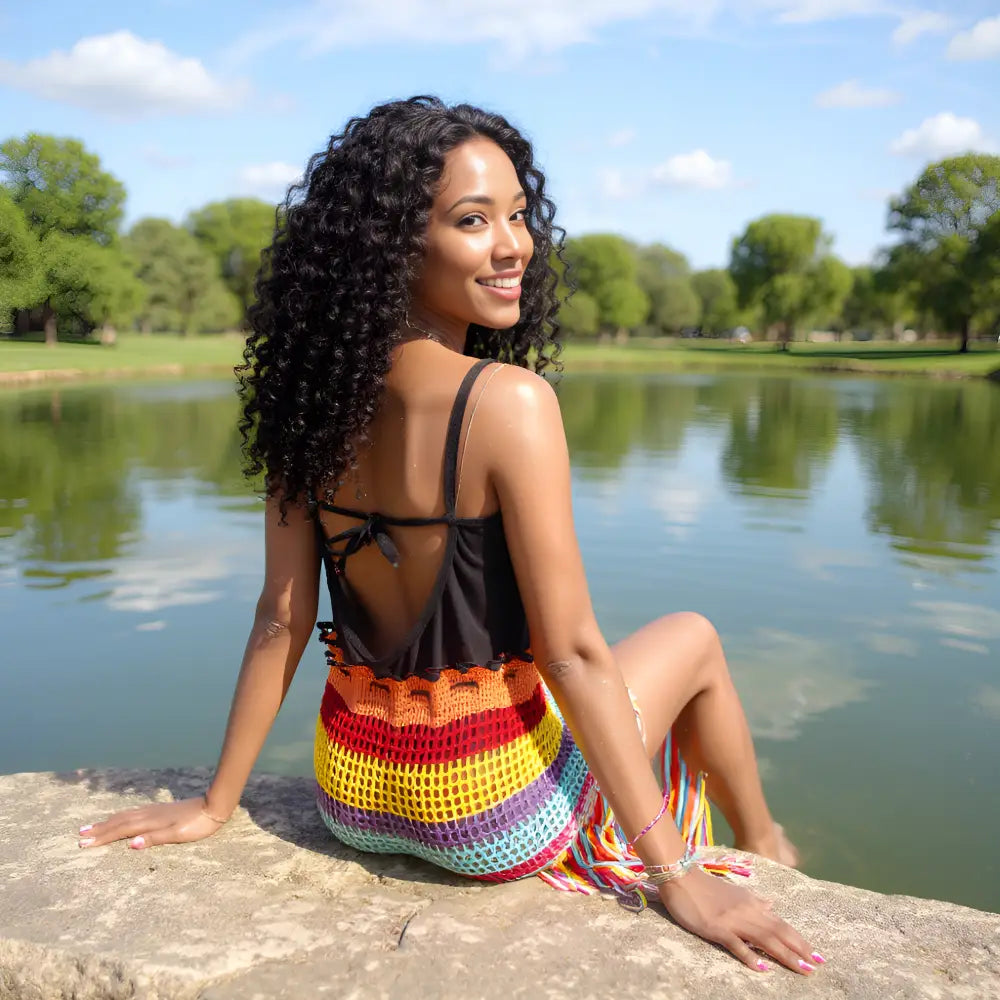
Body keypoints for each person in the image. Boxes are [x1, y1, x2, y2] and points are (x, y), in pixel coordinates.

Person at [76, 96, 824, 977]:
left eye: (518, 214)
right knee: (693, 637)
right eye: (474, 221)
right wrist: (676, 877)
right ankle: (765, 844)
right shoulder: (508, 402)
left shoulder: (306, 404)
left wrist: (215, 803)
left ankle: (764, 842)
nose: (514, 245)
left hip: (351, 792)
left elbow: (280, 621)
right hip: (488, 811)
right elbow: (572, 653)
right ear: (394, 247)